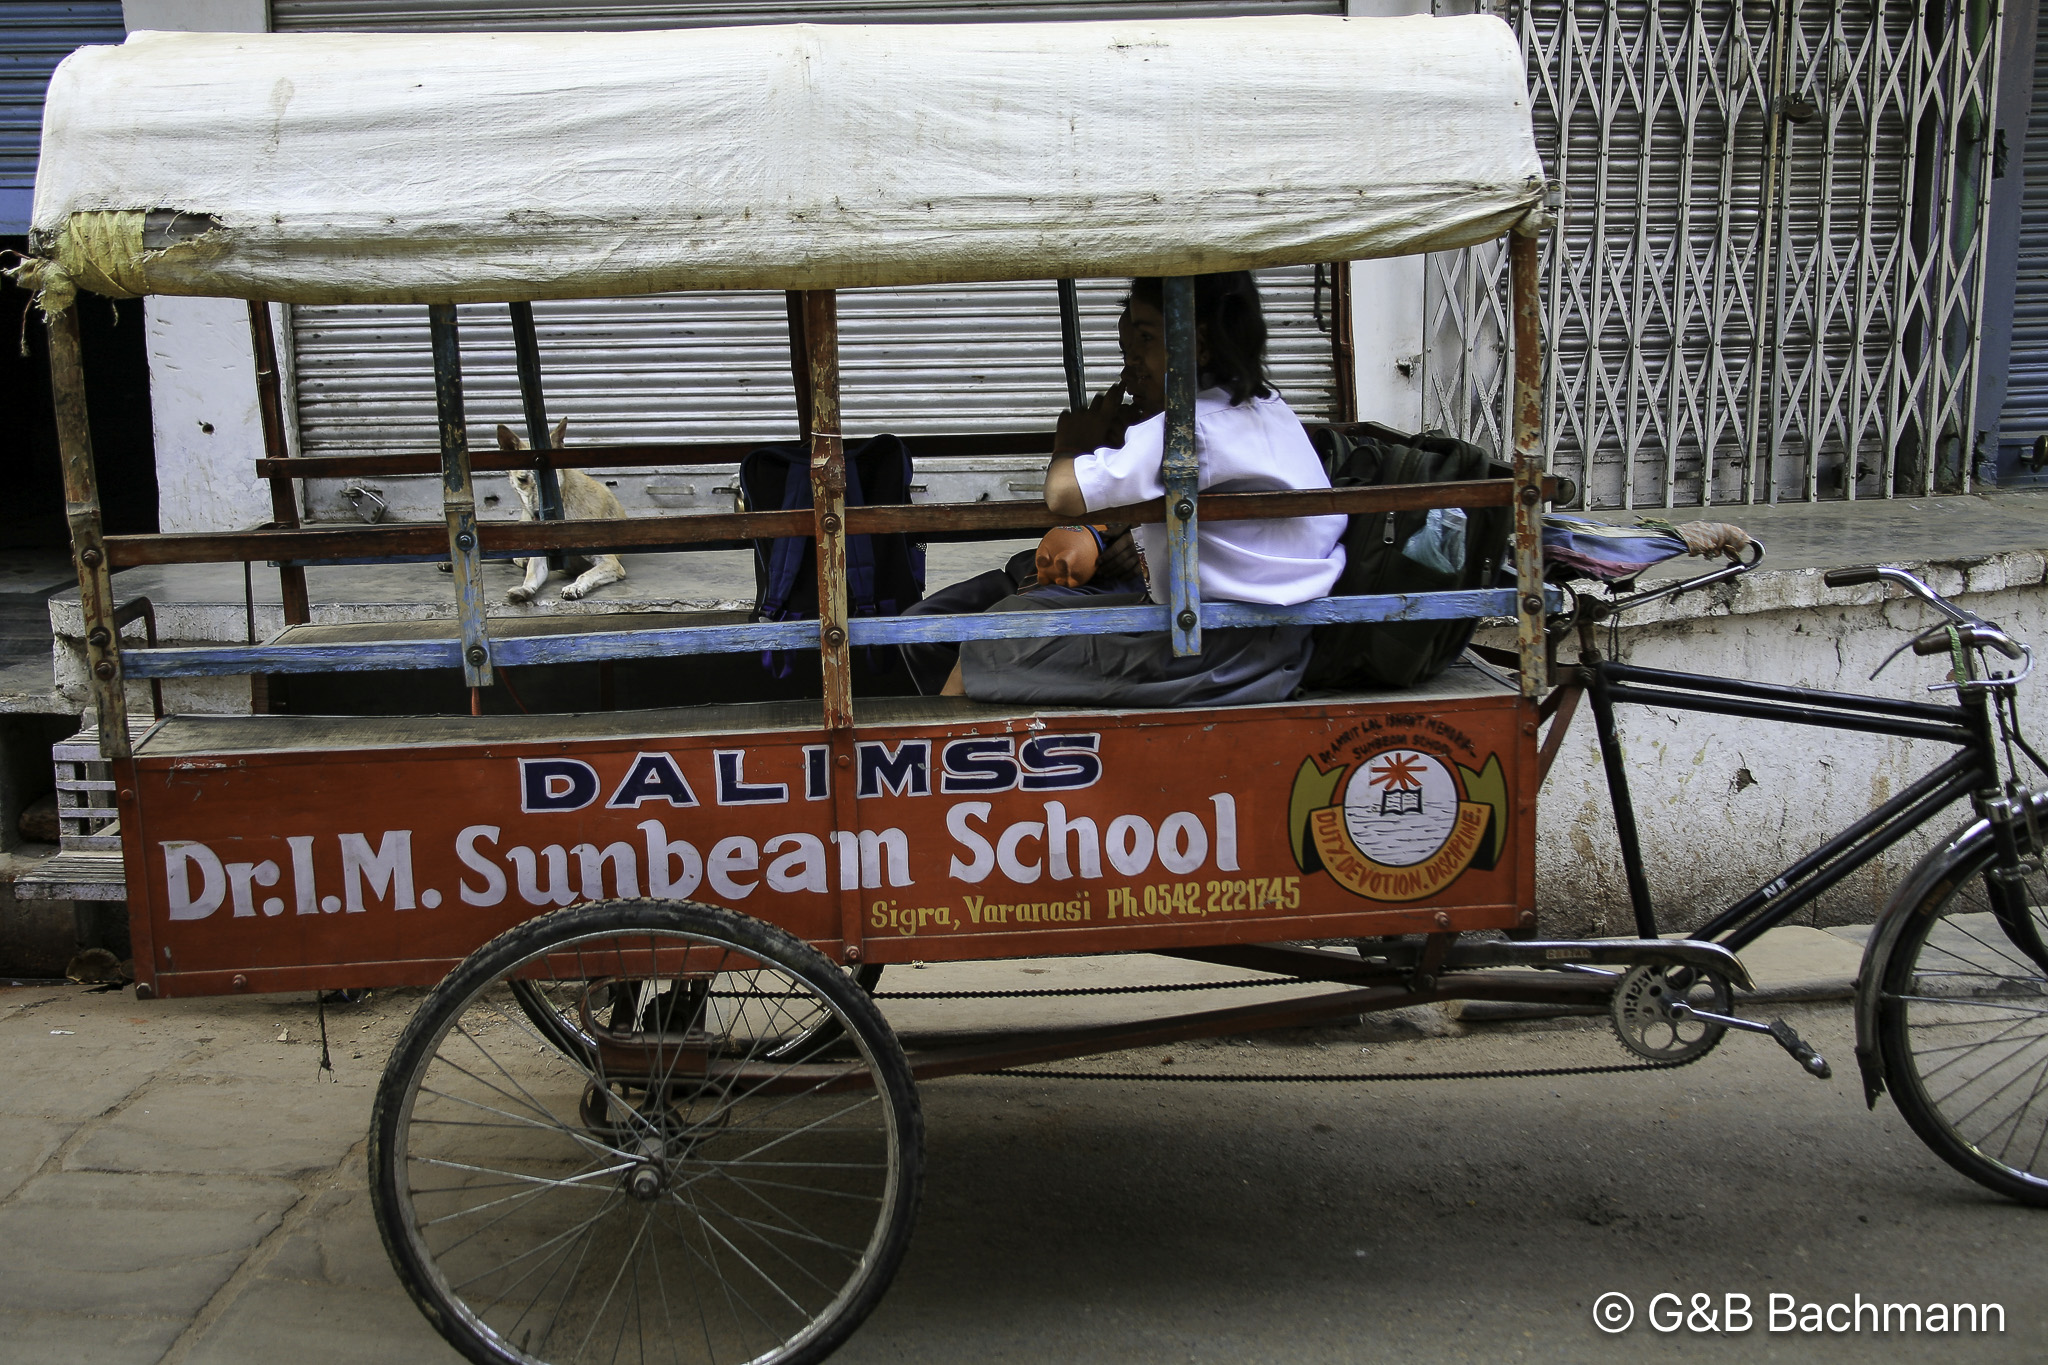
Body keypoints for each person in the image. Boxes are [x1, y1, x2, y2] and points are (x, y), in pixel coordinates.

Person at [936, 271, 1346, 706]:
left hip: (1213, 649)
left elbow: (1062, 493)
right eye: (1127, 348)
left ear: (1199, 343)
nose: (1132, 365)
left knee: (990, 640)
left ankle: (936, 762)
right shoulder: (1266, 410)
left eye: (1146, 340)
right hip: (1273, 635)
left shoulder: (1186, 426)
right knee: (1018, 616)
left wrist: (1072, 442)